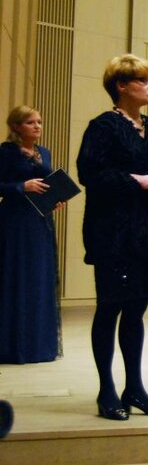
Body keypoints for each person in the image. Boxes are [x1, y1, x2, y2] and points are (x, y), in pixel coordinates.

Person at [77, 54, 148, 420]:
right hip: (112, 232)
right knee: (110, 307)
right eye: (143, 80)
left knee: (136, 310)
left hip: (144, 232)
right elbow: (89, 173)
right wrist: (137, 180)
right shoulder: (103, 126)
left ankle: (134, 387)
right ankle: (106, 389)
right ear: (121, 86)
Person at [0, 106, 61, 364]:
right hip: (14, 221)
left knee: (39, 278)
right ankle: (13, 346)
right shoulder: (6, 152)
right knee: (16, 277)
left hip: (40, 220)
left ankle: (39, 345)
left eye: (39, 122)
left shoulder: (43, 152)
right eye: (30, 122)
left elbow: (47, 184)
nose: (37, 126)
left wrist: (54, 198)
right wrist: (21, 186)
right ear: (16, 126)